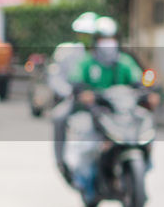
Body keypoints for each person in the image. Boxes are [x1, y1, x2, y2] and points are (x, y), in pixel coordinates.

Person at [64, 17, 149, 196]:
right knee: (87, 140)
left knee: (144, 125)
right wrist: (84, 94)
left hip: (121, 112)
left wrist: (148, 92)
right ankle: (84, 179)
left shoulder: (125, 62)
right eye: (104, 39)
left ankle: (142, 170)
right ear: (97, 41)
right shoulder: (87, 62)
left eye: (111, 39)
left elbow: (139, 80)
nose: (108, 44)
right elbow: (76, 80)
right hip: (96, 111)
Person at [51, 12, 98, 175]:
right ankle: (60, 160)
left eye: (91, 34)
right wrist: (70, 93)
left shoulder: (106, 54)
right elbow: (56, 78)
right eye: (84, 34)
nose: (87, 37)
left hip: (102, 101)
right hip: (76, 100)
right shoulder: (67, 53)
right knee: (59, 116)